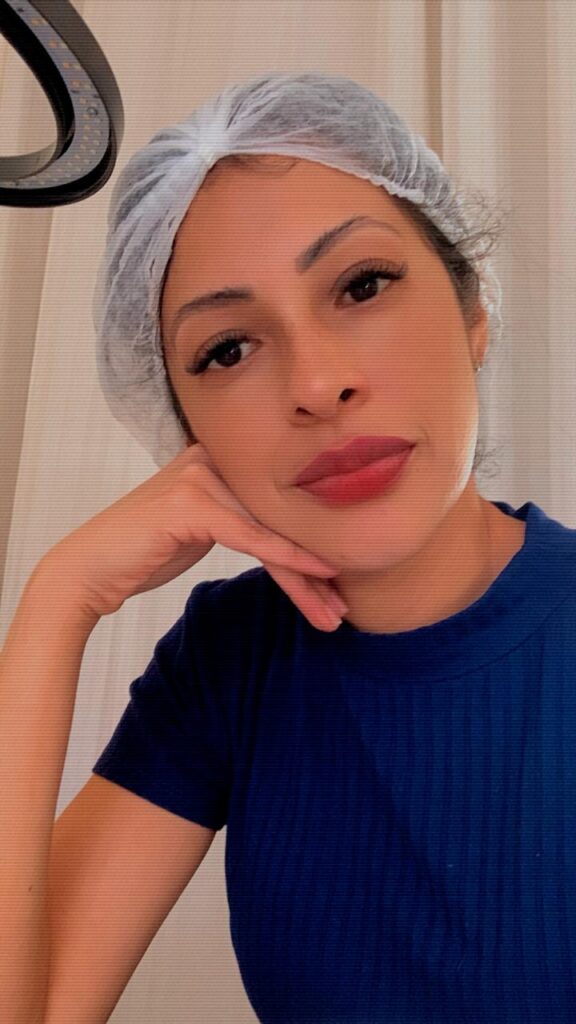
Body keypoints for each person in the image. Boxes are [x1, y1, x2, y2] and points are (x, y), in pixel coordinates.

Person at [2, 71, 576, 1023]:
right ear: (188, 432)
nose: (316, 384)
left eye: (362, 285)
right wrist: (58, 600)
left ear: (473, 310)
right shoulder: (229, 662)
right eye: (229, 349)